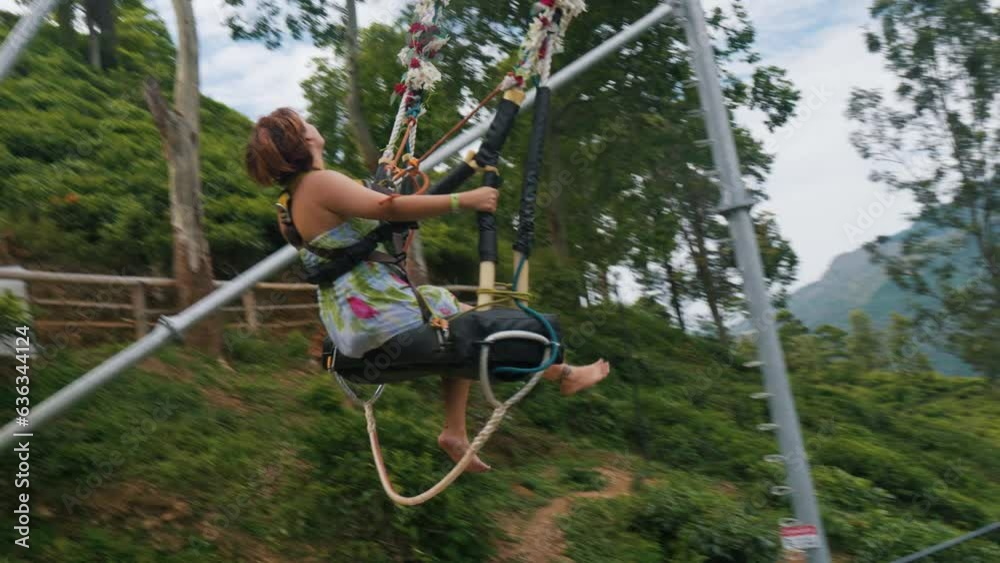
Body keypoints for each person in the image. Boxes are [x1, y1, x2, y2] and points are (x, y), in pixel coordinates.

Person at [245, 108, 610, 472]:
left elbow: (355, 232)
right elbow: (389, 208)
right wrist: (465, 200)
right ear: (304, 138)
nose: (312, 122)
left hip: (348, 322)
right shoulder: (320, 183)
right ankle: (561, 374)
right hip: (378, 313)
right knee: (456, 316)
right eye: (304, 122)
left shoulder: (287, 205)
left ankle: (458, 430)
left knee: (453, 330)